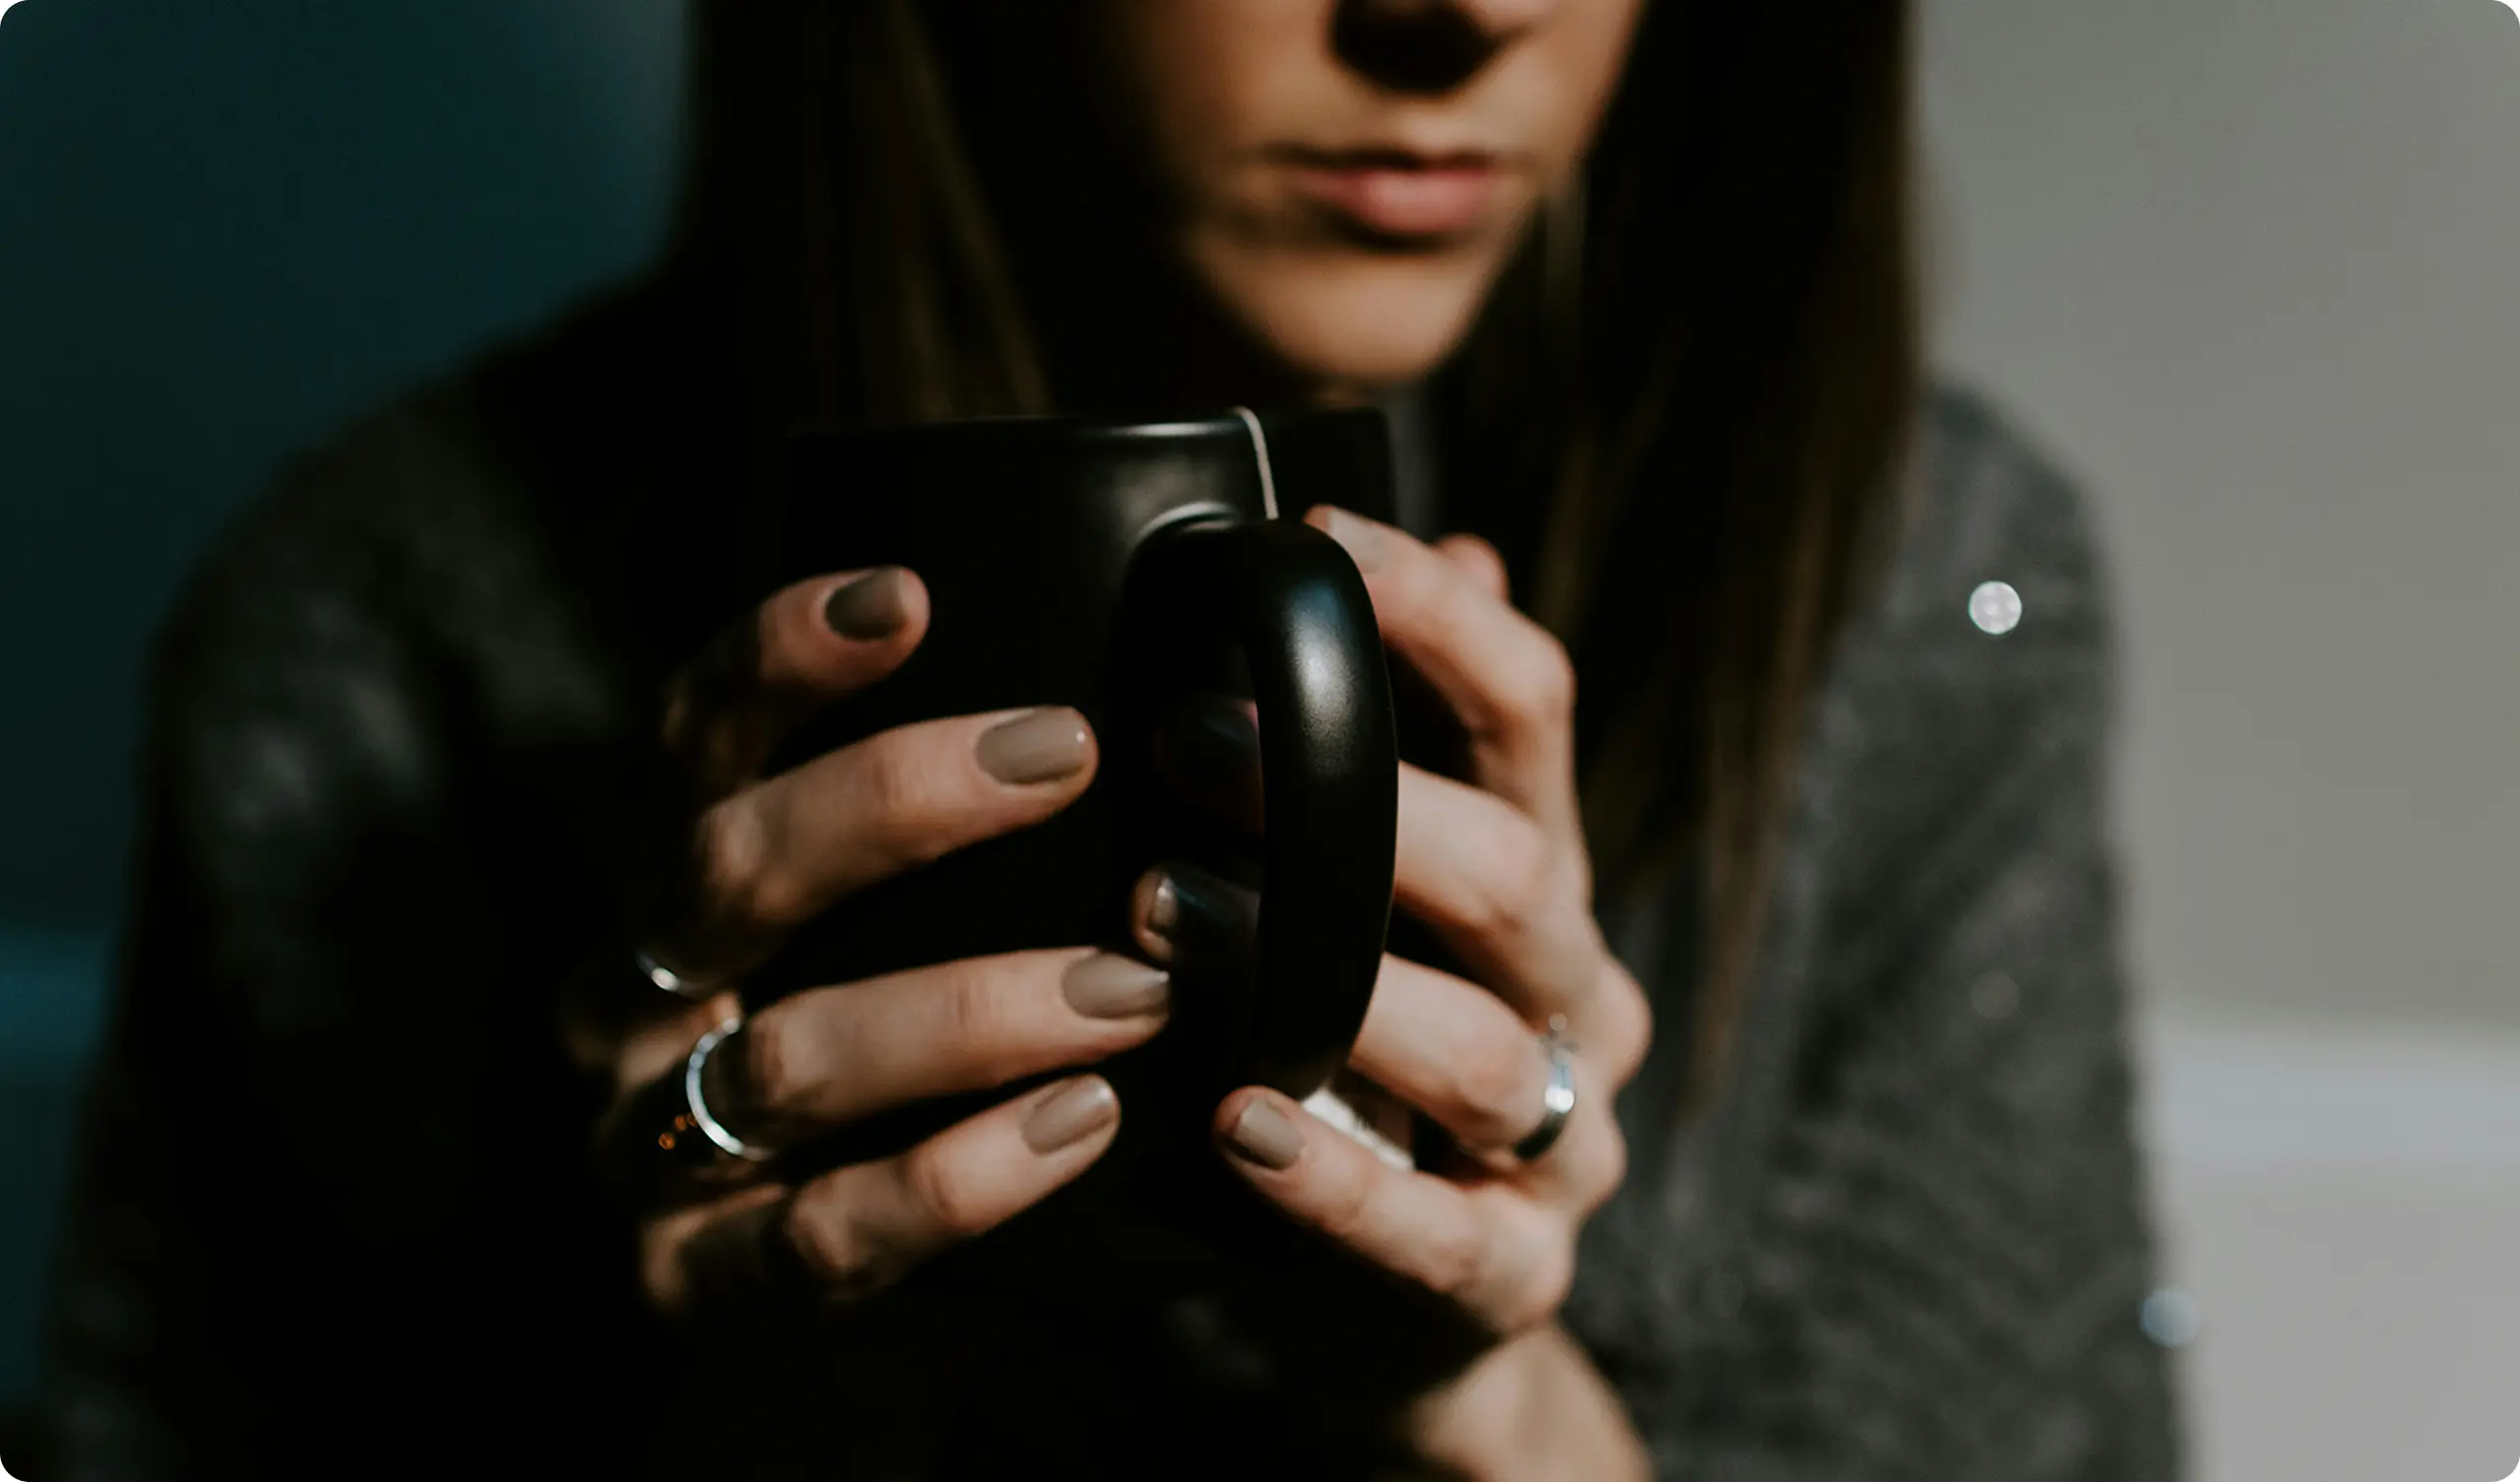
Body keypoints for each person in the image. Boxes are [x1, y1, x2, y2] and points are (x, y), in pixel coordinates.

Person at [38, 2, 2181, 1477]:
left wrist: (1491, 1405)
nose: (1460, 12)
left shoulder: (1915, 590)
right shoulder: (390, 644)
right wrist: (715, 1411)